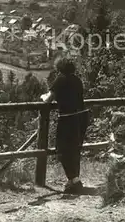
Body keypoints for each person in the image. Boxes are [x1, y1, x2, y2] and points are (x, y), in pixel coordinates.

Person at [40, 57, 90, 194]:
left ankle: (74, 180)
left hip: (69, 118)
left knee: (61, 149)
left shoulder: (61, 79)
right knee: (75, 148)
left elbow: (49, 99)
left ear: (59, 68)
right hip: (82, 116)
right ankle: (73, 180)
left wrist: (43, 97)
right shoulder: (77, 80)